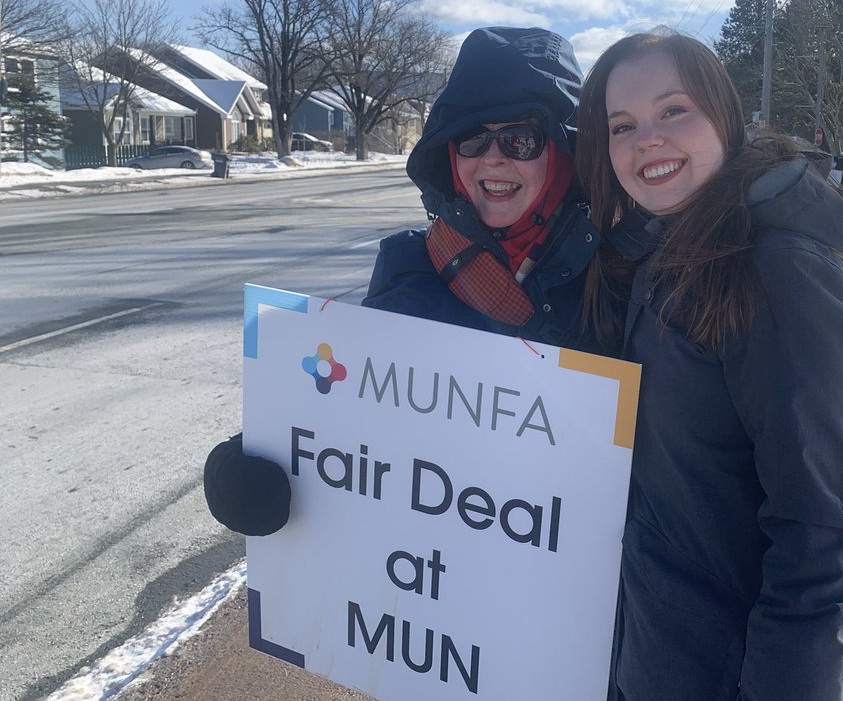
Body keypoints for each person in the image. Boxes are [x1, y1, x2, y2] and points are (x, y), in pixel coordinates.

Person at [575, 32, 843, 701]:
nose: (647, 139)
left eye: (672, 110)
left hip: (728, 693)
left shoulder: (777, 270)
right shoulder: (660, 252)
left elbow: (818, 543)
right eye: (622, 125)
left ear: (724, 114)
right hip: (658, 666)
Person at [204, 26, 597, 537]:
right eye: (473, 137)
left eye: (521, 139)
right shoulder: (410, 266)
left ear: (564, 152)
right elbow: (345, 412)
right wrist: (244, 473)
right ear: (450, 153)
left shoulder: (619, 278)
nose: (493, 158)